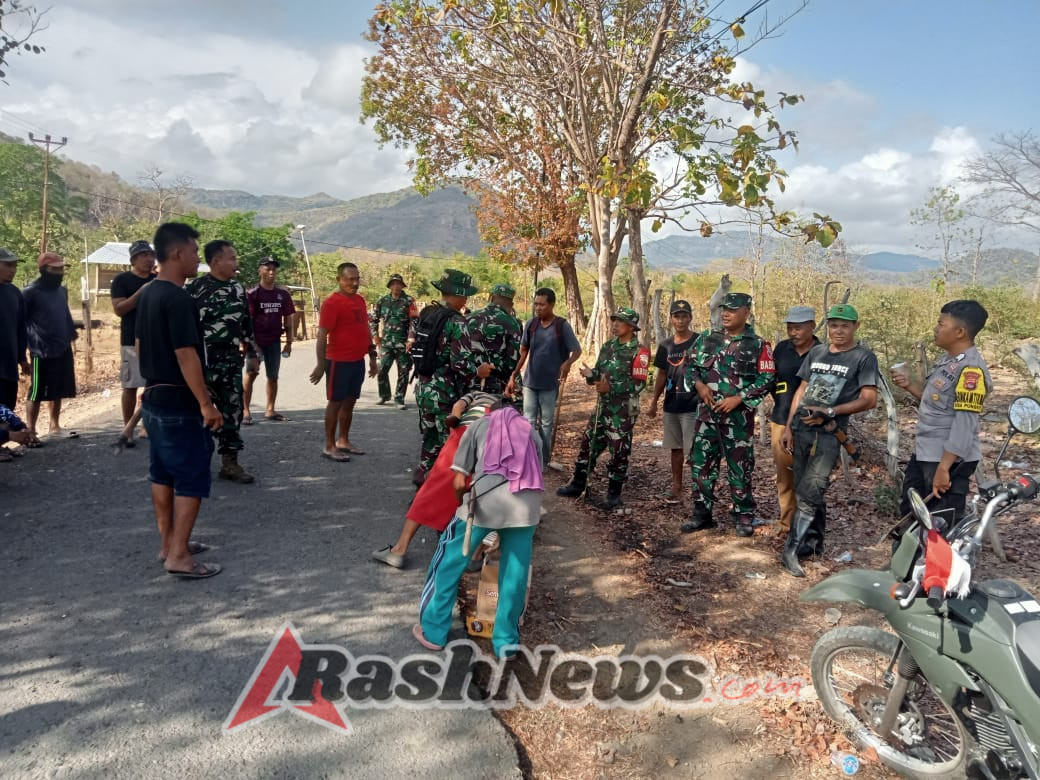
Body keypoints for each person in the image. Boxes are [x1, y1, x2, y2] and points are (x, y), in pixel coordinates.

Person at [413, 400, 543, 659]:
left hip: (483, 506)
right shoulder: (532, 432)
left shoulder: (479, 426)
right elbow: (537, 472)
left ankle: (434, 631)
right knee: (515, 576)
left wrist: (461, 506)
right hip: (525, 510)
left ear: (489, 412)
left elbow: (459, 480)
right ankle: (506, 643)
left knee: (448, 563)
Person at [136, 222, 223, 579]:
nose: (196, 259)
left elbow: (140, 345)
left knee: (162, 473)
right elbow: (186, 353)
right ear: (176, 253)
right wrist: (205, 403)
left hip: (154, 396)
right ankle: (179, 557)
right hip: (177, 400)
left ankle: (169, 543)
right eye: (193, 252)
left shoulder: (148, 293)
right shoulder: (178, 298)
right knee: (191, 475)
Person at [780, 303, 879, 577]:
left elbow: (869, 399)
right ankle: (813, 543)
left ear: (855, 327)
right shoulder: (818, 352)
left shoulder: (863, 358)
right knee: (802, 485)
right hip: (801, 428)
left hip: (829, 432)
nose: (838, 331)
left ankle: (790, 550)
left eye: (845, 326)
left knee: (813, 486)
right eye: (834, 325)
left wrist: (831, 411)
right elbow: (802, 389)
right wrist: (789, 426)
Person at [682, 292, 774, 537]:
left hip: (738, 421)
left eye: (732, 310)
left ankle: (743, 516)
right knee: (701, 466)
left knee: (740, 468)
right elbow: (689, 366)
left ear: (746, 313)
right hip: (707, 418)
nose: (725, 314)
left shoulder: (758, 345)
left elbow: (767, 378)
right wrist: (700, 386)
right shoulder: (706, 339)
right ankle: (702, 514)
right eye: (724, 309)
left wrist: (739, 398)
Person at [372, 390, 499, 569]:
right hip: (495, 443)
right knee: (483, 496)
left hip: (466, 434)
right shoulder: (511, 409)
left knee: (431, 490)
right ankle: (474, 555)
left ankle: (399, 550)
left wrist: (453, 432)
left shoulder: (476, 394)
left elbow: (457, 409)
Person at [891, 300, 991, 526]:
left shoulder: (971, 371)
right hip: (927, 452)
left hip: (947, 459)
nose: (936, 329)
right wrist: (909, 385)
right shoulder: (948, 360)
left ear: (960, 332)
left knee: (939, 523)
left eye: (941, 324)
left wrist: (944, 468)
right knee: (912, 515)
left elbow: (964, 424)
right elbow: (937, 403)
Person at [557, 307, 647, 510]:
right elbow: (599, 374)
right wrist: (591, 375)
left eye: (620, 321)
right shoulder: (608, 347)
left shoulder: (639, 351)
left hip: (623, 410)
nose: (615, 324)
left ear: (631, 327)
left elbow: (639, 384)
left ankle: (613, 496)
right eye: (614, 320)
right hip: (603, 406)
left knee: (619, 451)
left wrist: (611, 387)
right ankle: (578, 484)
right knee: (588, 443)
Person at [186, 240, 256, 484]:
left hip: (230, 362)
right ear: (216, 262)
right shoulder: (194, 289)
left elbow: (246, 324)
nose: (237, 263)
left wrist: (252, 354)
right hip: (201, 362)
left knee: (232, 411)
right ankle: (194, 463)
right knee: (197, 412)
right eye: (232, 258)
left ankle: (230, 463)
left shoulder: (238, 288)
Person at [309, 262, 378, 462]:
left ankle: (343, 440)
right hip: (338, 362)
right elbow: (322, 336)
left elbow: (365, 329)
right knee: (335, 403)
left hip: (357, 361)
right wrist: (321, 364)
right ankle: (329, 446)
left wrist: (372, 357)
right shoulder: (332, 303)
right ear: (339, 279)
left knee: (350, 402)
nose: (354, 283)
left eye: (357, 279)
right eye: (350, 279)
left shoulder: (360, 300)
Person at [506, 287, 581, 467]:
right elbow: (524, 352)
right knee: (528, 421)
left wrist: (568, 363)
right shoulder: (531, 325)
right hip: (530, 382)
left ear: (551, 305)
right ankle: (528, 457)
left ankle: (543, 460)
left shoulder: (561, 326)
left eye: (542, 304)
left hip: (550, 384)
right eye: (536, 304)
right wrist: (514, 374)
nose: (538, 308)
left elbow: (577, 350)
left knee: (546, 423)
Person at [412, 268, 474, 485]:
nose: (466, 300)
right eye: (465, 295)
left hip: (424, 389)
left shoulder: (428, 313)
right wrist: (478, 372)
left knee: (429, 442)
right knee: (449, 448)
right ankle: (440, 495)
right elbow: (461, 364)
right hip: (445, 395)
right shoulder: (457, 322)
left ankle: (422, 485)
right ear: (457, 294)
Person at [768, 306, 820, 537]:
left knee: (811, 476)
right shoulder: (781, 349)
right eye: (790, 328)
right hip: (781, 420)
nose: (793, 332)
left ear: (812, 327)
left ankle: (809, 525)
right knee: (785, 474)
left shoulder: (822, 352)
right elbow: (771, 380)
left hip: (812, 424)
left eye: (798, 328)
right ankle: (787, 522)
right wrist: (781, 402)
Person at [646, 300, 698, 503]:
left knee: (695, 450)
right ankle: (676, 486)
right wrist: (654, 402)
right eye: (677, 316)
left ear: (690, 318)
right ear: (671, 319)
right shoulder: (665, 345)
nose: (681, 320)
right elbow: (661, 374)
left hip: (693, 404)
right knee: (676, 448)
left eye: (684, 316)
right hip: (671, 404)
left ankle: (699, 489)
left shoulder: (699, 341)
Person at [23, 252, 77, 438]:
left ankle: (55, 426)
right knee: (37, 390)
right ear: (44, 270)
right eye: (56, 269)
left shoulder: (62, 291)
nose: (60, 272)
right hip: (41, 349)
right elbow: (21, 322)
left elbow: (65, 314)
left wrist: (71, 333)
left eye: (62, 269)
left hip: (62, 346)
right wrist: (23, 353)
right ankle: (31, 430)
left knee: (58, 387)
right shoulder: (30, 292)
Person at [110, 240, 156, 447]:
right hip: (130, 340)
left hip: (155, 340)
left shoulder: (157, 279)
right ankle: (127, 428)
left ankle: (146, 425)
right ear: (134, 259)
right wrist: (140, 293)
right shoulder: (122, 280)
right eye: (144, 255)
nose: (149, 259)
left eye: (151, 255)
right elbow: (119, 309)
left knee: (152, 386)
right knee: (130, 386)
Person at [243, 257, 295, 424]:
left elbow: (288, 319)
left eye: (274, 269)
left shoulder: (283, 294)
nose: (271, 272)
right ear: (260, 271)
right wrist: (249, 344)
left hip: (274, 342)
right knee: (251, 373)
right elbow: (247, 321)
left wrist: (289, 343)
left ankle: (270, 409)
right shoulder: (252, 294)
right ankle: (245, 410)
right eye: (267, 269)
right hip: (255, 342)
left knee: (273, 376)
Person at [452, 282, 522, 395]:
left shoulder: (466, 319)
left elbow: (456, 359)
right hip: (493, 388)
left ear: (491, 298)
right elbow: (512, 362)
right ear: (511, 303)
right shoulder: (512, 324)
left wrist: (473, 371)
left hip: (465, 385)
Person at [373, 273, 417, 409]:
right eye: (393, 284)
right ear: (390, 286)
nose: (396, 286)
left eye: (398, 284)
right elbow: (374, 319)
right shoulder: (382, 301)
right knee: (381, 370)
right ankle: (384, 395)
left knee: (403, 372)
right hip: (386, 343)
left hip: (403, 343)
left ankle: (399, 399)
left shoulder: (409, 301)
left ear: (402, 286)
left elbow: (414, 321)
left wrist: (411, 339)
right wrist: (375, 335)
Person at [0, 248, 29, 415]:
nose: (13, 270)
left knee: (7, 409)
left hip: (9, 366)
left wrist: (22, 358)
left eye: (15, 266)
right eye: (8, 265)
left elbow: (20, 328)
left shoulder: (14, 293)